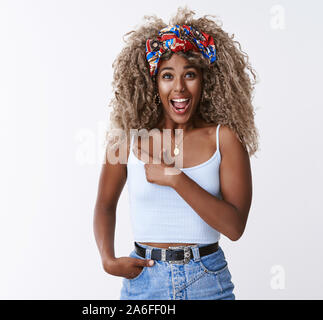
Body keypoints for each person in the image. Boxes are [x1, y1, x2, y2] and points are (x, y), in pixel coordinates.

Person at [93, 6, 258, 300]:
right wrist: (108, 259)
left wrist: (175, 178)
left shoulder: (224, 139)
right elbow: (105, 205)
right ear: (153, 83)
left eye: (190, 74)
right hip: (144, 282)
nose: (179, 88)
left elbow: (234, 227)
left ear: (205, 80)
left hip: (207, 282)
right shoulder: (127, 140)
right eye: (167, 75)